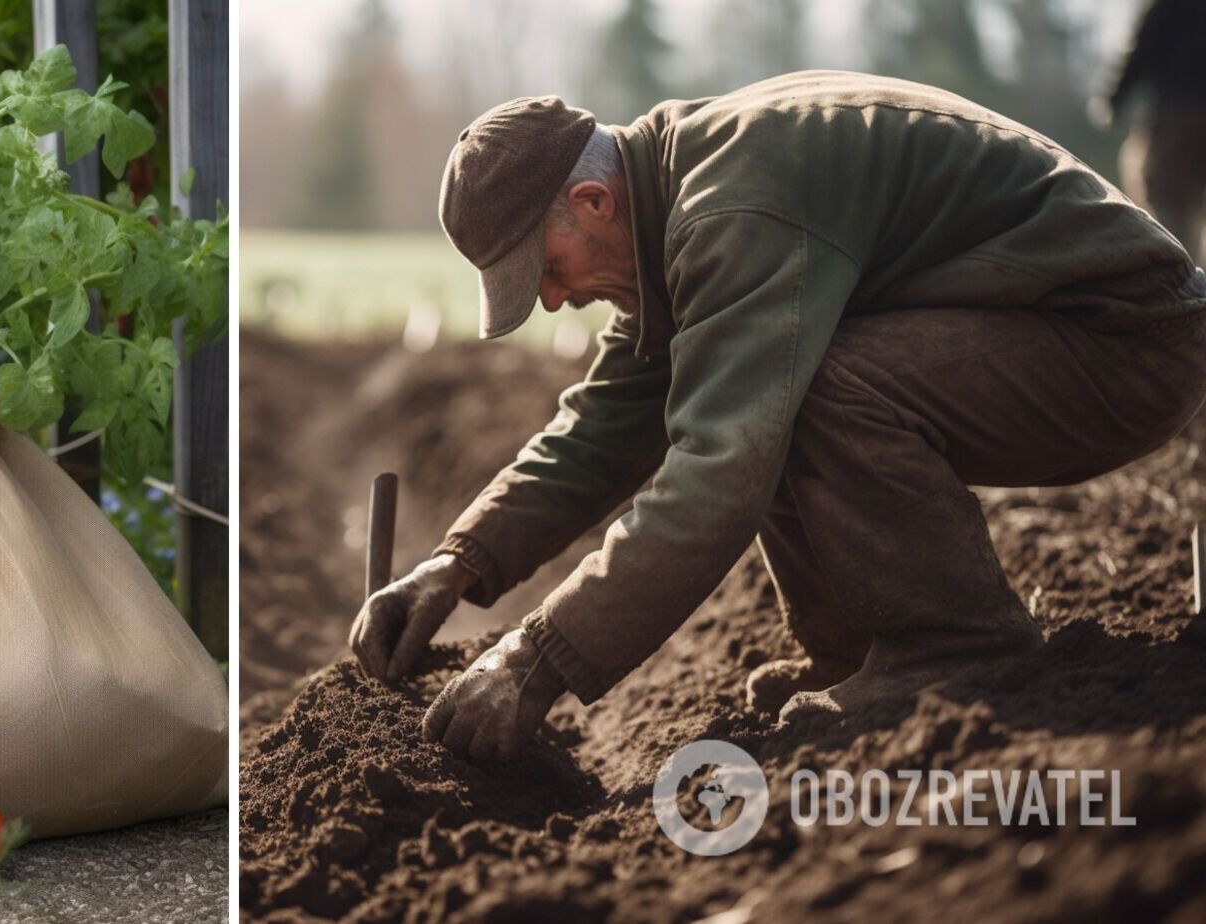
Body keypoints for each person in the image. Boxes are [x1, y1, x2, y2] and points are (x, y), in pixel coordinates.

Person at [349, 72, 1206, 763]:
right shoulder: (670, 196)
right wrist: (455, 565)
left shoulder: (731, 211)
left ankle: (953, 643)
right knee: (775, 383)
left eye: (546, 267)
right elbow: (604, 424)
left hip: (1123, 341)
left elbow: (716, 473)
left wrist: (534, 659)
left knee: (802, 388)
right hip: (1057, 329)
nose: (552, 299)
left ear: (592, 200)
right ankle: (856, 653)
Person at [1099, 0, 1206, 260]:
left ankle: (1182, 277)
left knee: (1163, 200)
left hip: (1175, 120)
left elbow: (1142, 47)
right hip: (1179, 115)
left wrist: (1113, 99)